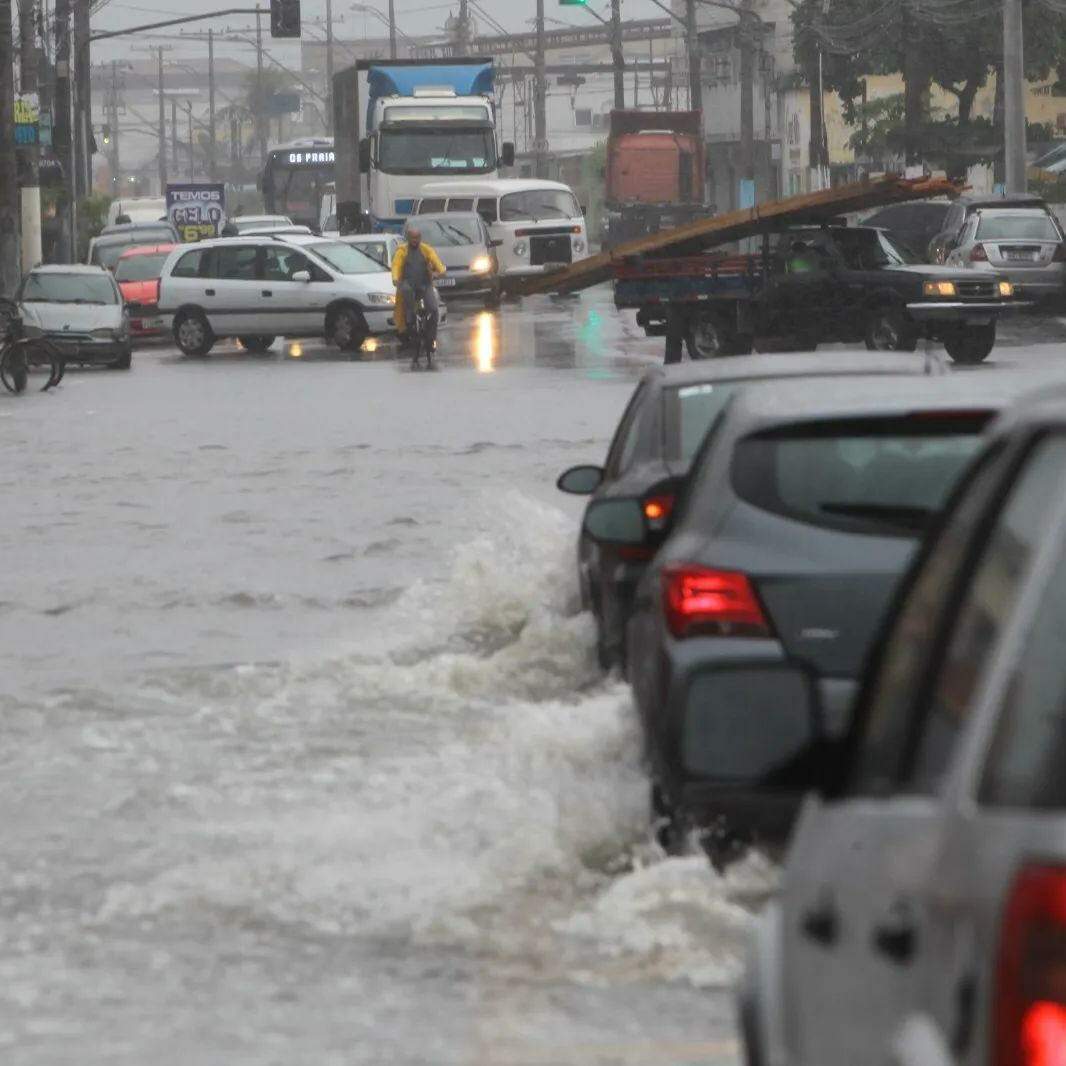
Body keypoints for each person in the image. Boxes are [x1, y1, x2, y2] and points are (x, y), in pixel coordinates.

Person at [392, 227, 446, 350]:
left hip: (425, 285)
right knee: (406, 298)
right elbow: (396, 265)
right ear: (408, 238)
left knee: (433, 309)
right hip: (408, 284)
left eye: (417, 238)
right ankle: (410, 320)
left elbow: (436, 262)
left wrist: (440, 272)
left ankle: (431, 339)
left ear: (420, 238)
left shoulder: (426, 250)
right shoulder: (402, 251)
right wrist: (395, 278)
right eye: (412, 238)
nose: (415, 240)